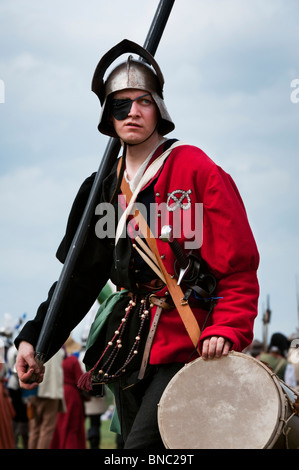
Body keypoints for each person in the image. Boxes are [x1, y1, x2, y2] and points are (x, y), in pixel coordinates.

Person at [14, 39, 259, 449]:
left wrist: (227, 327)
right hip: (126, 350)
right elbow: (78, 280)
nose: (132, 112)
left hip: (190, 343)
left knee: (140, 449)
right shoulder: (100, 188)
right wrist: (35, 340)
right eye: (120, 104)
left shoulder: (195, 168)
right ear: (108, 117)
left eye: (142, 101)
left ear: (158, 107)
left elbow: (237, 265)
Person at [50, 337, 86, 449]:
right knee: (72, 425)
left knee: (58, 425)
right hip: (71, 394)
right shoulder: (73, 361)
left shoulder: (53, 363)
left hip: (56, 394)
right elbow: (80, 381)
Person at [27, 349, 65, 449]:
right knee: (47, 430)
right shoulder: (58, 349)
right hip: (51, 392)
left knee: (35, 429)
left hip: (35, 391)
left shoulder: (34, 346)